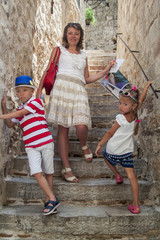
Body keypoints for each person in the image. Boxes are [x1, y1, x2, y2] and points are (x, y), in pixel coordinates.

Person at [36, 22, 115, 183]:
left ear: (80, 36)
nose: (73, 36)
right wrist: (39, 92)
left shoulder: (84, 55)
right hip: (61, 89)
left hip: (78, 89)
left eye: (76, 33)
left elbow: (87, 78)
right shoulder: (58, 50)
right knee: (63, 129)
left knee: (81, 125)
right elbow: (47, 70)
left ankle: (84, 144)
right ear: (66, 35)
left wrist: (106, 70)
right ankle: (66, 168)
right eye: (70, 33)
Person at [0, 75, 60, 216]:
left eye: (25, 90)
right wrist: (4, 107)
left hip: (45, 142)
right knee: (36, 172)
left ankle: (49, 201)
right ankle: (53, 198)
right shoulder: (21, 107)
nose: (21, 94)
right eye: (19, 91)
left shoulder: (36, 102)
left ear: (32, 91)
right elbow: (10, 124)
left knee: (48, 172)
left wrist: (1, 116)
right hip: (31, 145)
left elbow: (22, 113)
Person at [95, 81, 152, 214]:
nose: (121, 106)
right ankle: (136, 205)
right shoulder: (135, 113)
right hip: (126, 153)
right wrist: (146, 88)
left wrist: (99, 144)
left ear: (133, 105)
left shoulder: (120, 118)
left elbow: (110, 133)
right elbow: (141, 100)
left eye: (125, 104)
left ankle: (117, 175)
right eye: (120, 103)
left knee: (104, 154)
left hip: (113, 151)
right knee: (132, 177)